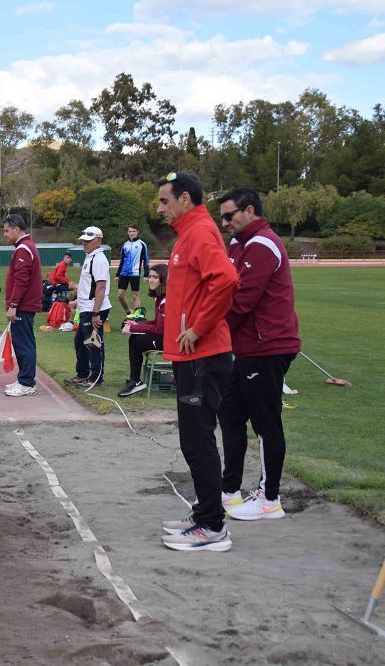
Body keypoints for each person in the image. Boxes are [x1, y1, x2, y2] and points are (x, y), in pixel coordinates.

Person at [155, 171, 239, 552]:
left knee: (198, 440)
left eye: (164, 201)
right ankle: (205, 512)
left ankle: (213, 526)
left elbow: (226, 280)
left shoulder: (201, 232)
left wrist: (199, 328)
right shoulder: (188, 234)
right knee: (193, 439)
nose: (159, 208)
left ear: (184, 199)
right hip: (190, 356)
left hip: (203, 355)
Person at [216, 187, 301, 521]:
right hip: (249, 346)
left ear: (249, 211)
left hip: (268, 346)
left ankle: (270, 498)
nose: (224, 222)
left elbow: (241, 301)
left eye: (229, 215)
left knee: (266, 422)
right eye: (221, 216)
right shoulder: (240, 244)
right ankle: (229, 489)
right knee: (231, 412)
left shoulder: (263, 244)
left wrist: (205, 327)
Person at [64, 226, 111, 390]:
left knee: (93, 343)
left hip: (94, 309)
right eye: (84, 240)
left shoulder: (98, 259)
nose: (85, 243)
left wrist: (96, 313)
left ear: (98, 241)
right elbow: (88, 285)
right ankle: (83, 373)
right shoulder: (91, 257)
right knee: (80, 341)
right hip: (87, 307)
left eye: (88, 241)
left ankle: (96, 377)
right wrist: (77, 301)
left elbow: (100, 287)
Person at [2, 213, 43, 397]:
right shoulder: (26, 247)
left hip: (23, 306)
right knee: (23, 343)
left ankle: (27, 382)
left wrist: (13, 304)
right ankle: (24, 379)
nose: (5, 234)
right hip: (25, 305)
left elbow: (21, 279)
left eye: (7, 230)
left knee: (23, 344)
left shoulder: (24, 249)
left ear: (16, 229)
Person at [118, 264, 168, 397]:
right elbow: (156, 322)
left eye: (155, 277)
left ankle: (135, 381)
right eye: (150, 276)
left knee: (136, 340)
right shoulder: (159, 297)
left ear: (163, 279)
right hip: (164, 336)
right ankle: (135, 380)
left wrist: (133, 328)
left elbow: (159, 329)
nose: (150, 280)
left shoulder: (166, 300)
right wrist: (137, 324)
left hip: (170, 341)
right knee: (136, 335)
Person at [116, 224, 150, 319]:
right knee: (120, 295)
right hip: (123, 273)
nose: (132, 233)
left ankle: (137, 317)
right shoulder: (125, 245)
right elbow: (122, 260)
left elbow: (146, 260)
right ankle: (129, 313)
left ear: (137, 232)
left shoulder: (142, 244)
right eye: (130, 231)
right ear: (128, 233)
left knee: (135, 296)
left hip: (135, 273)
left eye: (134, 231)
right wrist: (117, 274)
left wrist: (146, 274)